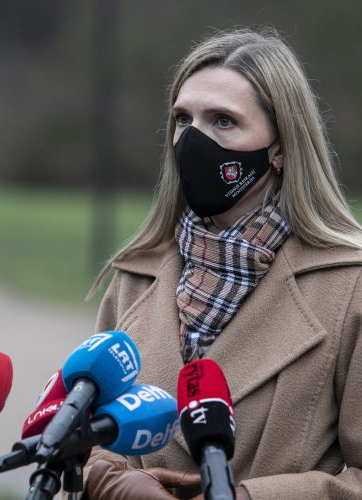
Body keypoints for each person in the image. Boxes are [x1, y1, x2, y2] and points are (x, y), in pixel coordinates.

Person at [83, 27, 362, 499]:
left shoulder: (349, 286)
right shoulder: (135, 273)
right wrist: (110, 481)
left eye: (223, 121)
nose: (193, 140)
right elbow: (87, 433)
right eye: (182, 118)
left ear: (281, 147)